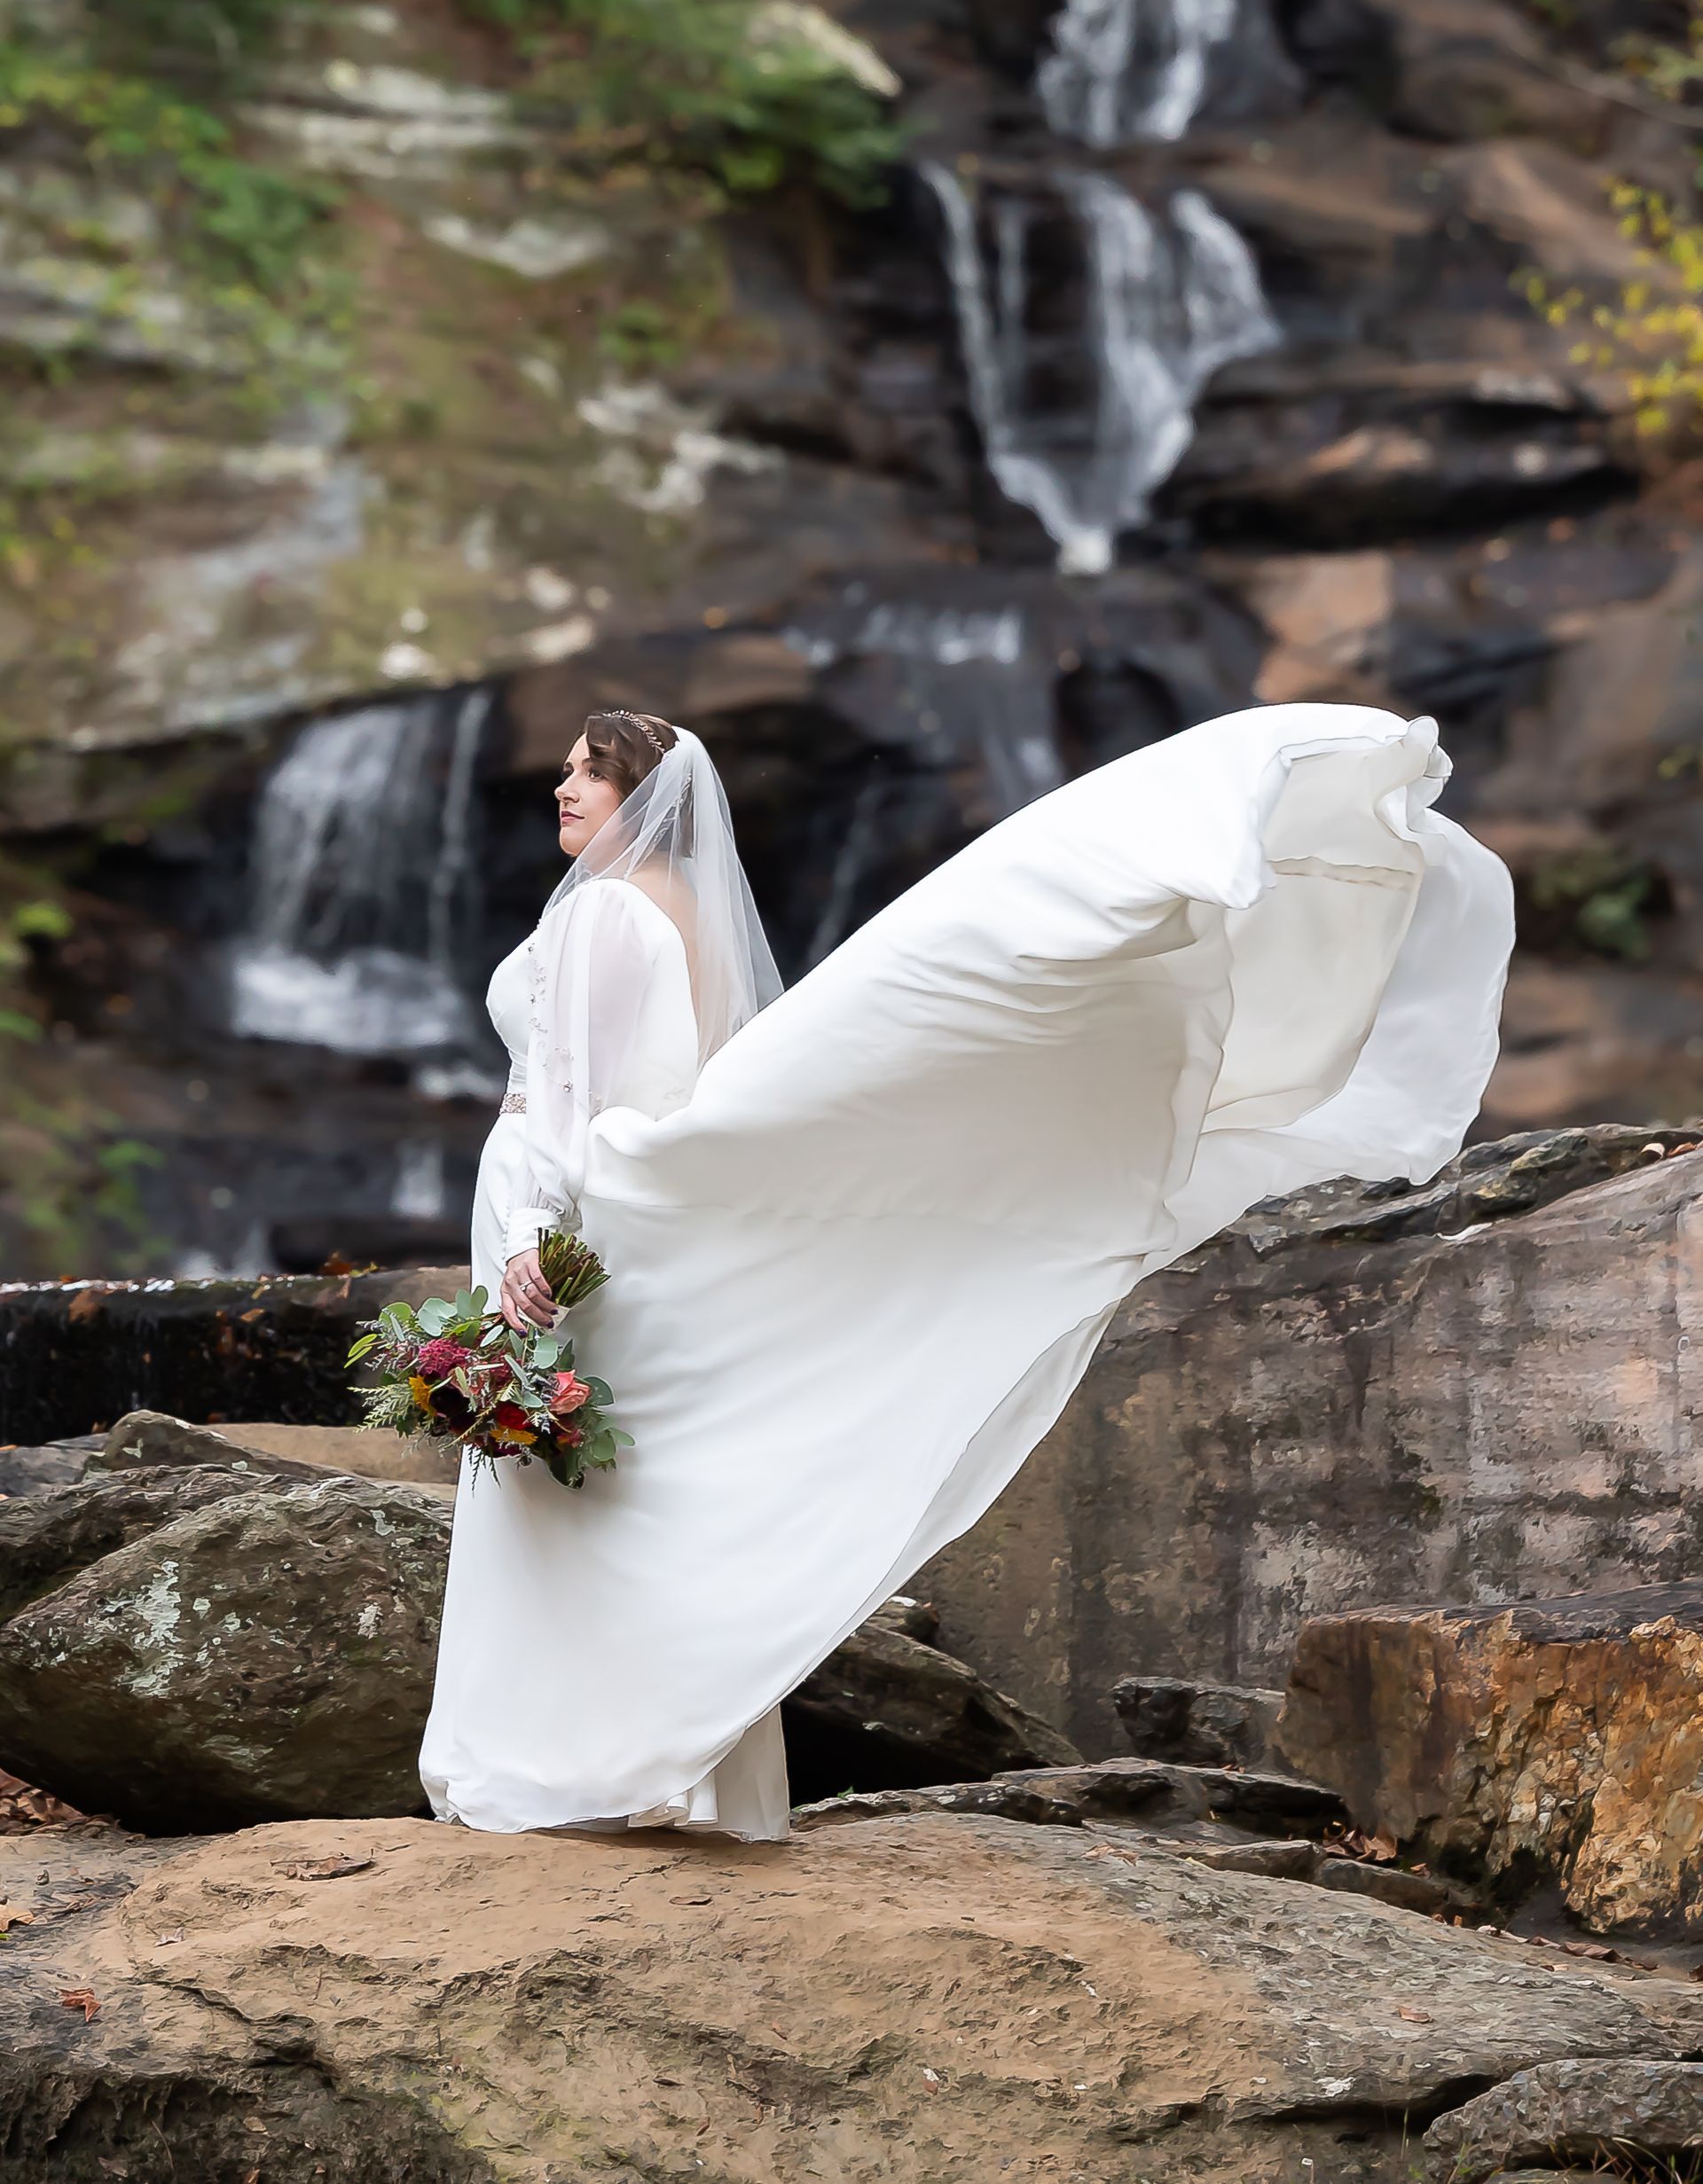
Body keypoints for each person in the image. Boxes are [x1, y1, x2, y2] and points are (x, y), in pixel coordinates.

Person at [420, 699, 1512, 1843]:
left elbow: (570, 1098)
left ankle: (545, 1763)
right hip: (620, 1220)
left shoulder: (600, 909)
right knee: (616, 1480)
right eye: (566, 769)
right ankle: (657, 1767)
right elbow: (686, 1074)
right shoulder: (682, 908)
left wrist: (529, 1234)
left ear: (643, 797)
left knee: (558, 1482)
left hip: (566, 1220)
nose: (564, 786)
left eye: (591, 774)